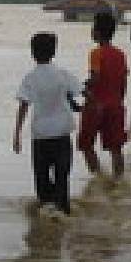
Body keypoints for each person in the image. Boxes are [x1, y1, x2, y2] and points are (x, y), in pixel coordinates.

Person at [12, 32, 81, 215]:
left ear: (33, 53)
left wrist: (17, 134)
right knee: (62, 179)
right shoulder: (63, 74)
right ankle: (62, 213)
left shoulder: (31, 78)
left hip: (41, 137)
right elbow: (80, 93)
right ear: (54, 52)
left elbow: (24, 106)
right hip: (62, 136)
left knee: (42, 181)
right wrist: (87, 107)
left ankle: (47, 219)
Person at [78, 11, 127, 179]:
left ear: (97, 32)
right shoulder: (120, 54)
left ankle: (98, 178)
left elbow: (96, 76)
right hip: (115, 104)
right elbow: (123, 82)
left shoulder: (96, 53)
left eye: (93, 28)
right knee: (116, 148)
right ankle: (117, 181)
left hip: (95, 105)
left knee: (85, 145)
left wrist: (83, 87)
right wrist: (119, 100)